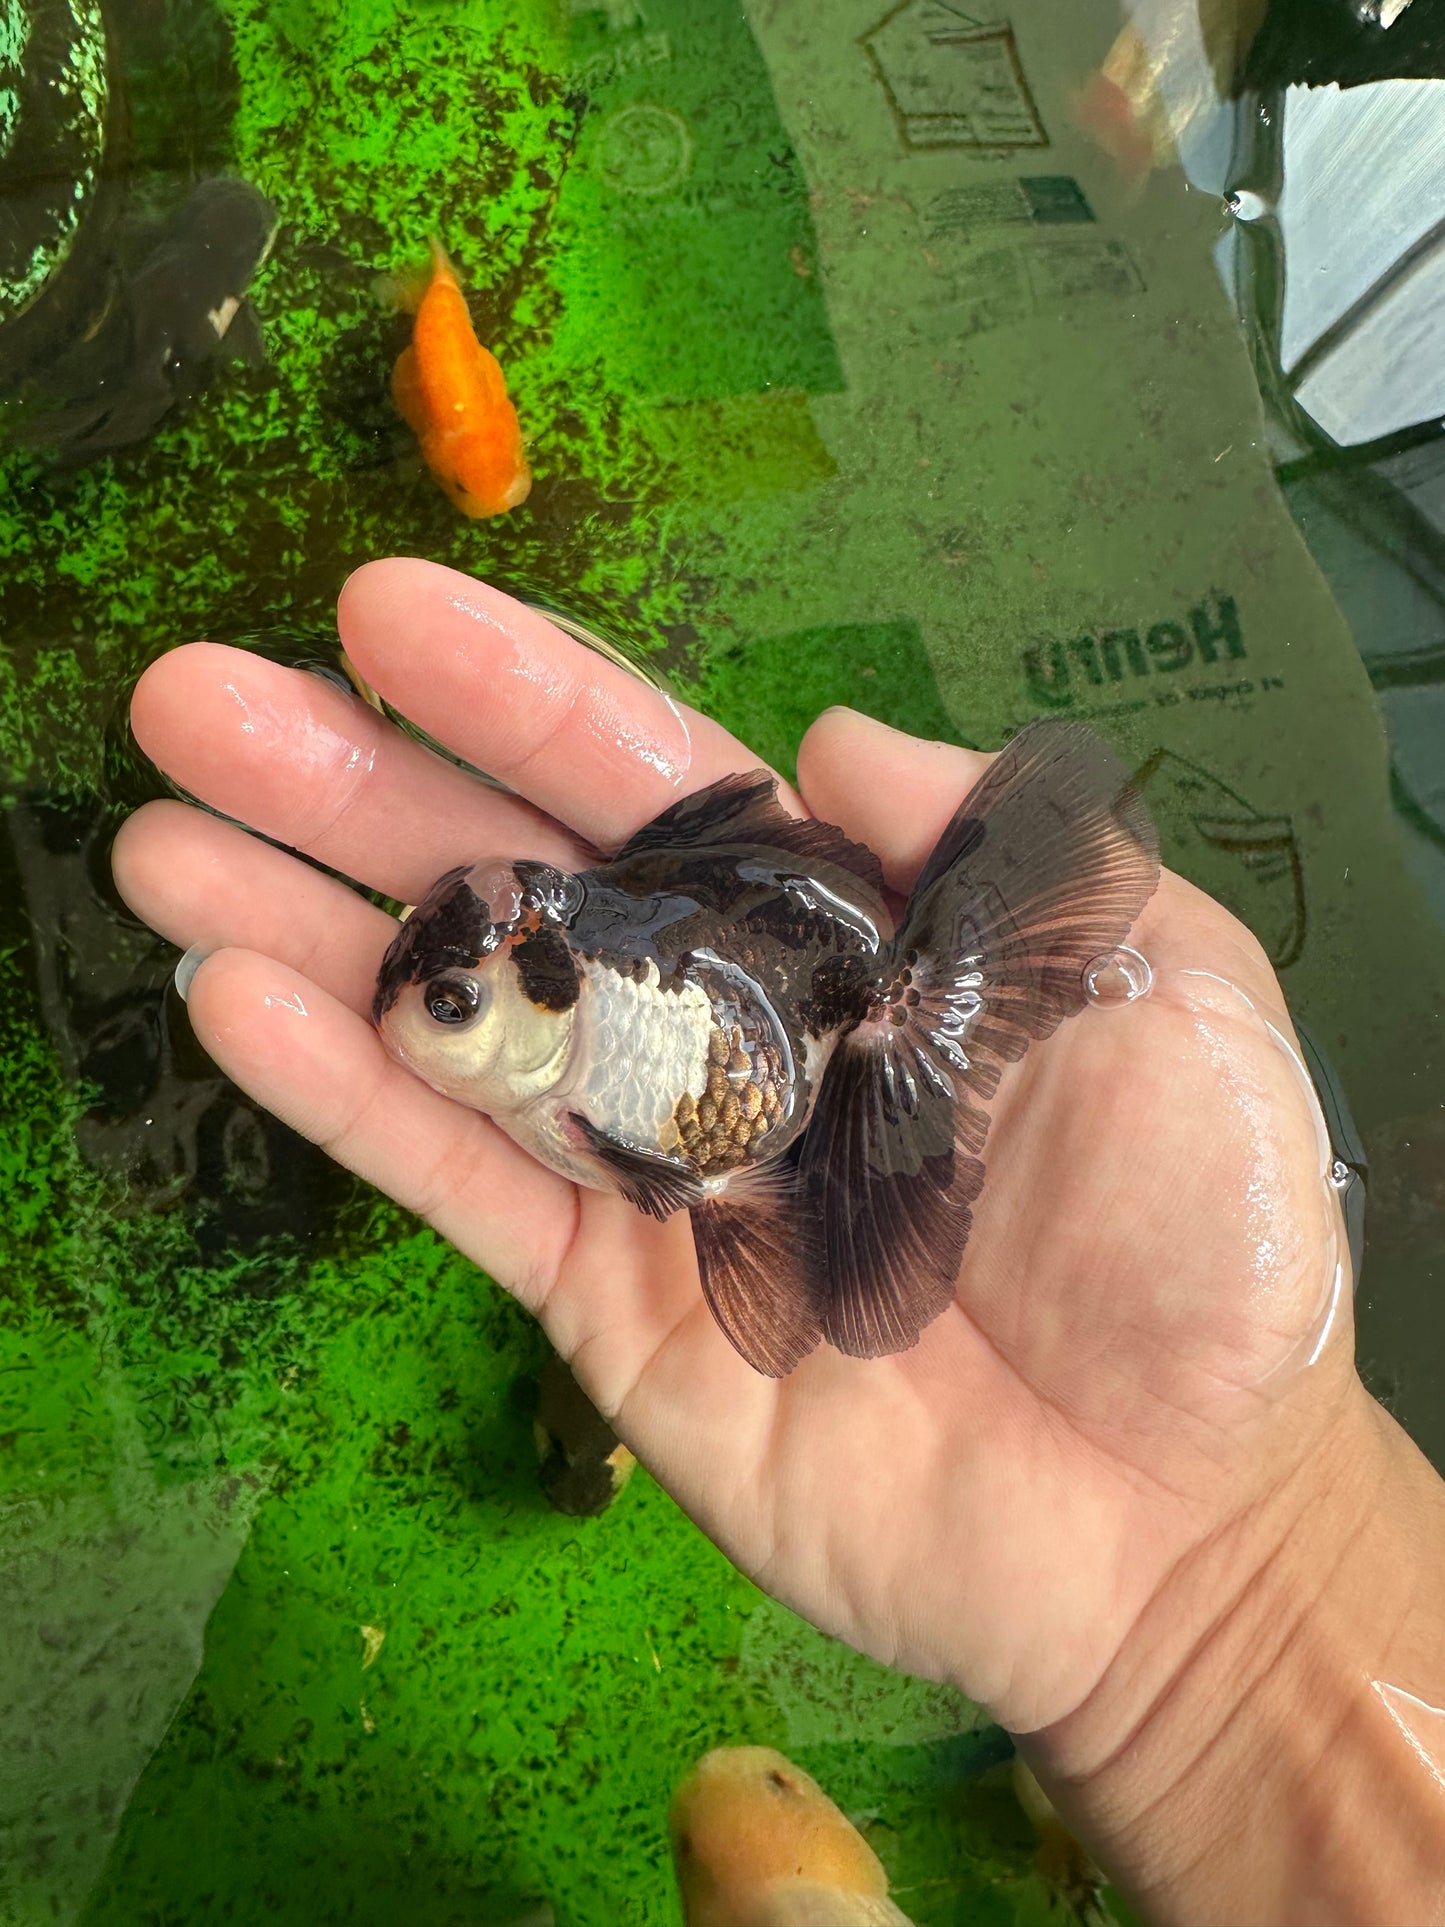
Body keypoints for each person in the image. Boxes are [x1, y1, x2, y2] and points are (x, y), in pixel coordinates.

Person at [113, 557, 1445, 1927]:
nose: (421, 1028)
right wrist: (1239, 1599)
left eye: (451, 1007)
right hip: (756, 1049)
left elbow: (666, 1158)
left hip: (766, 1079)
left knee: (741, 1176)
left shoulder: (621, 1046)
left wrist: (1243, 1565)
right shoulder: (568, 983)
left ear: (539, 994)